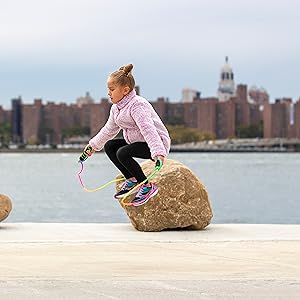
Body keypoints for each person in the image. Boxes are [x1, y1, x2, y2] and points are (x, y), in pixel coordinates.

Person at [83, 63, 171, 206]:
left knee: (123, 153)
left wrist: (158, 152)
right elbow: (108, 130)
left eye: (112, 89)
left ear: (125, 90)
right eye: (108, 89)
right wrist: (92, 146)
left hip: (156, 143)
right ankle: (131, 179)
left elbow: (148, 130)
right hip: (137, 142)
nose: (108, 93)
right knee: (110, 146)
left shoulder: (137, 106)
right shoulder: (116, 109)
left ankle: (146, 186)